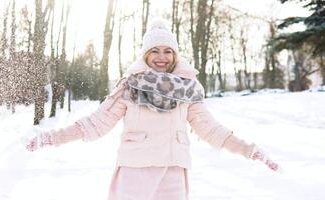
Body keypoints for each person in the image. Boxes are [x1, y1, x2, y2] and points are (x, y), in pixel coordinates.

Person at [26, 19, 281, 200]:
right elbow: (96, 123)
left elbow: (211, 129)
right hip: (135, 172)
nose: (162, 57)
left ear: (176, 55)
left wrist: (250, 150)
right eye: (155, 51)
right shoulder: (130, 86)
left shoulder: (188, 90)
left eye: (168, 51)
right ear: (145, 55)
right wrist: (53, 137)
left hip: (173, 172)